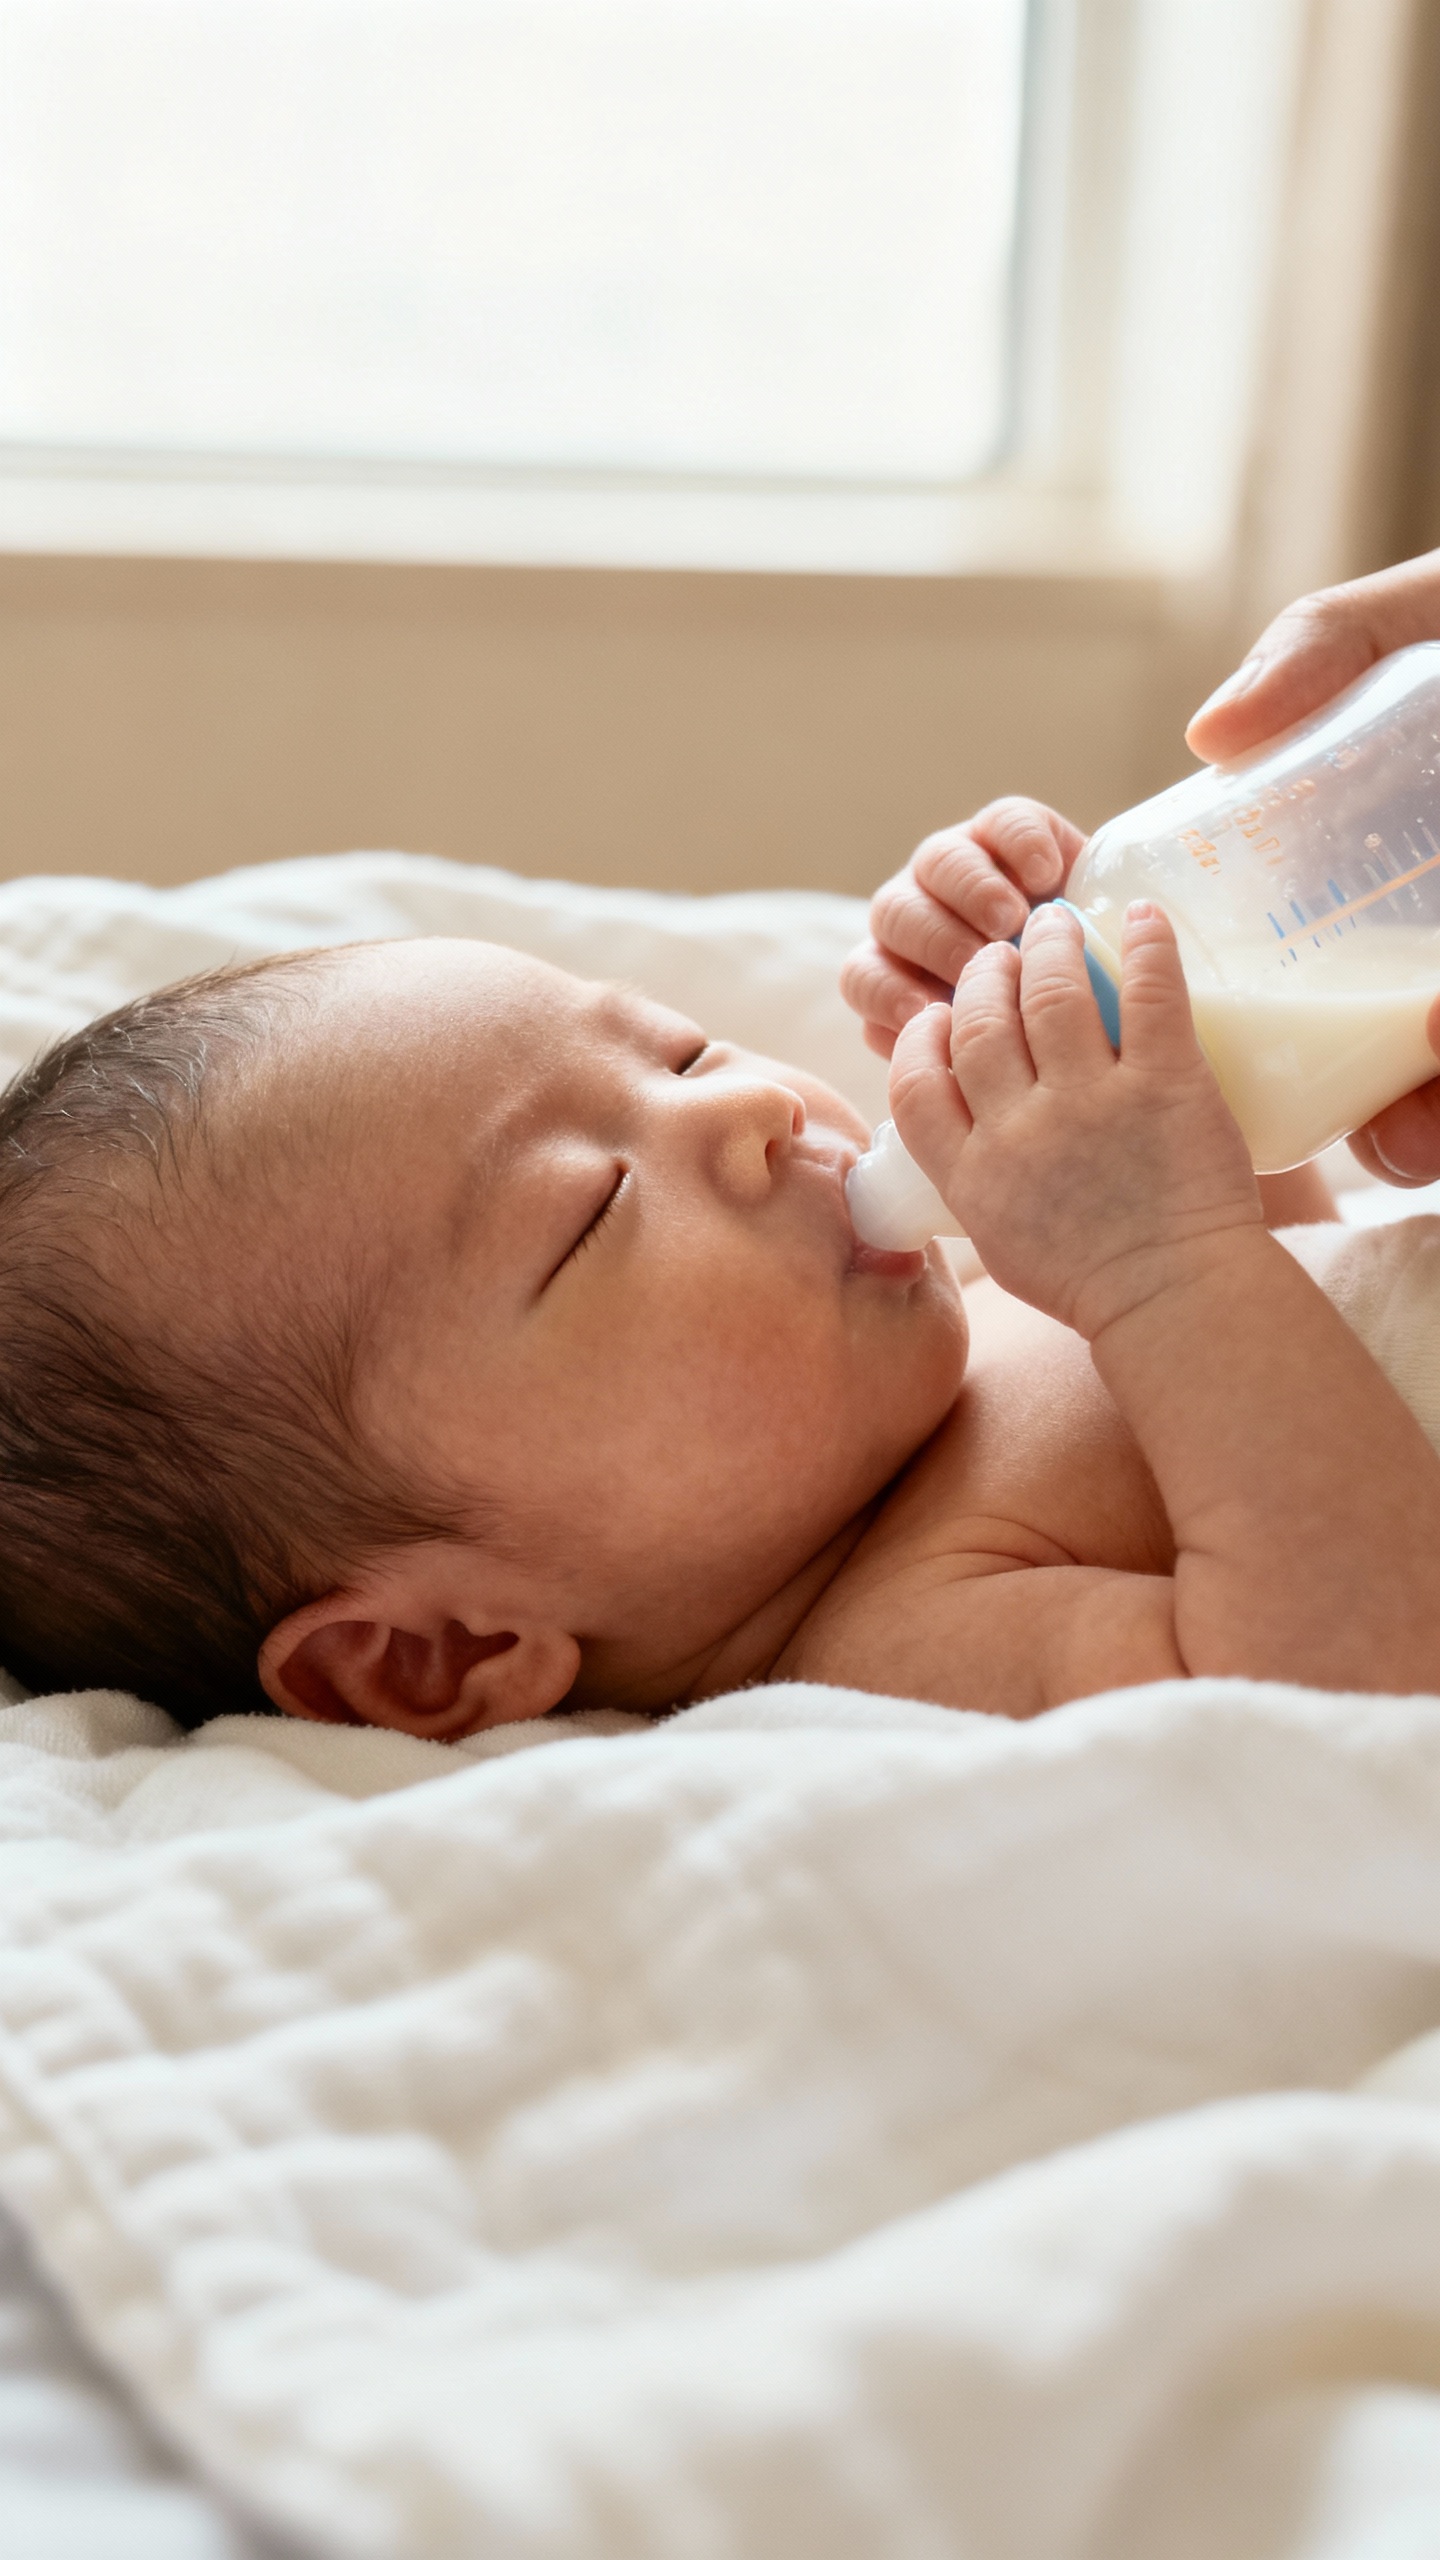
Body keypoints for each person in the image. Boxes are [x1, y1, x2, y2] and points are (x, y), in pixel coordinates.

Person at [1, 925, 1438, 1739]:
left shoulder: (977, 1315)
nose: (746, 1107)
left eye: (676, 1051)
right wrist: (1160, 1262)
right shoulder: (908, 1629)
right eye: (594, 1212)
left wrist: (1115, 1017)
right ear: (440, 1655)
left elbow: (1295, 1276)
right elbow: (1355, 1699)